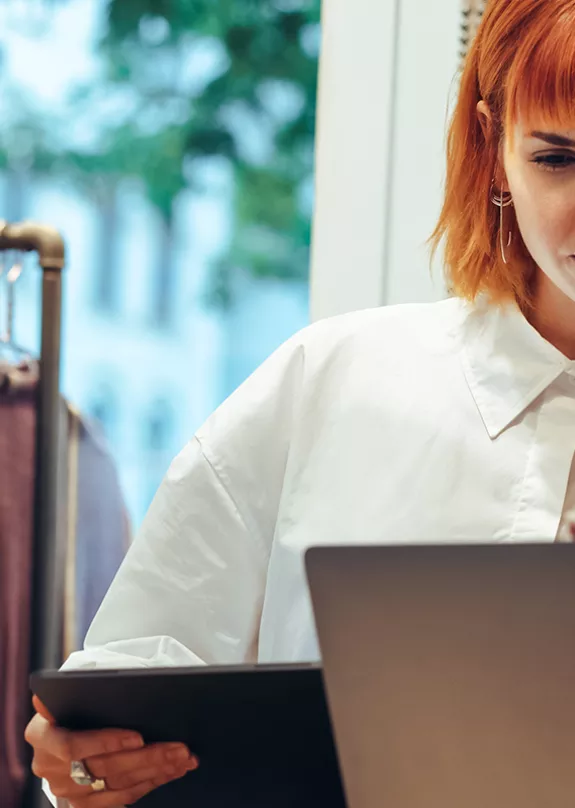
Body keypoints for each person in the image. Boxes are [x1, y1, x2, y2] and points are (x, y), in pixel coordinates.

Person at [26, 0, 575, 804]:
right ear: (493, 149)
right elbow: (129, 690)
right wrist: (86, 767)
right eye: (557, 158)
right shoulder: (333, 383)